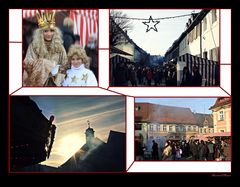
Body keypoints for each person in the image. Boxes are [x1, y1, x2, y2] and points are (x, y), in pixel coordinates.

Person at [23, 10, 68, 86]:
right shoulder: (34, 46)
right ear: (41, 33)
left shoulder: (60, 47)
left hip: (54, 82)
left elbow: (65, 65)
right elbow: (27, 63)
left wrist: (55, 71)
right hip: (38, 82)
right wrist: (43, 64)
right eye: (45, 31)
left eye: (51, 31)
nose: (49, 34)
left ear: (55, 32)